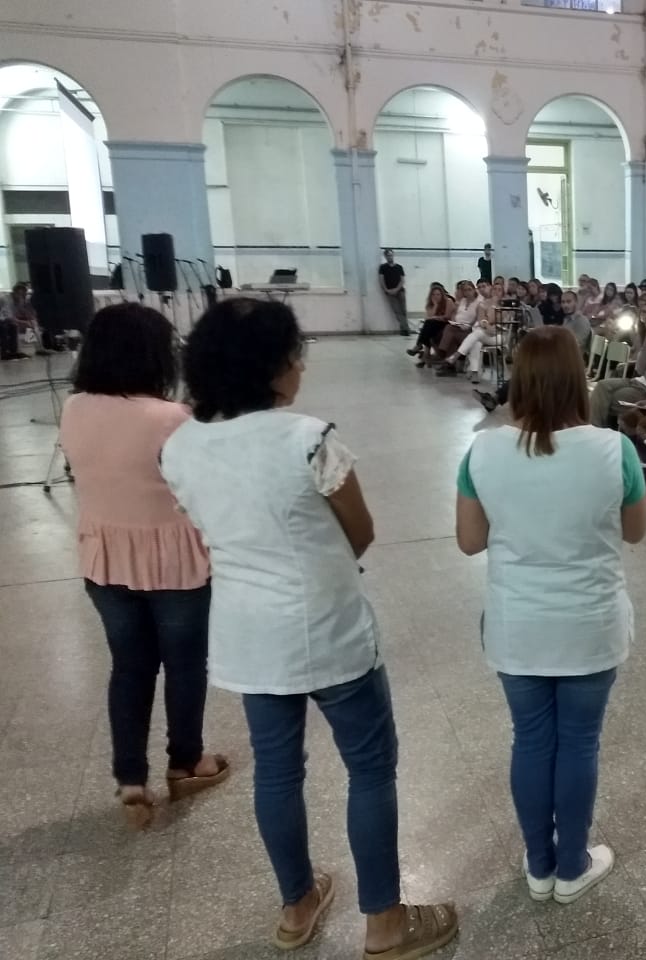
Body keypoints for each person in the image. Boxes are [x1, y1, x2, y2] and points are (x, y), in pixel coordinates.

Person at [160, 298, 459, 957]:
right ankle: (384, 922)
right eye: (294, 355)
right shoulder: (308, 439)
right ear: (269, 367)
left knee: (276, 770)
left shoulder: (179, 446)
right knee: (370, 767)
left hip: (247, 633)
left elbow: (207, 525)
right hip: (329, 629)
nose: (301, 366)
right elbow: (362, 530)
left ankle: (297, 905)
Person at [455, 325, 646, 904]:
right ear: (577, 379)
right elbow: (635, 532)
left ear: (521, 380)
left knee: (532, 742)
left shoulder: (483, 450)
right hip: (590, 623)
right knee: (579, 743)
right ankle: (572, 865)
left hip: (518, 626)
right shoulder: (614, 449)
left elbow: (469, 541)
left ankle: (539, 866)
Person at [59, 303, 228, 830]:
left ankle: (131, 778)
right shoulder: (170, 418)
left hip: (105, 558)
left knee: (129, 668)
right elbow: (202, 487)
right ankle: (186, 761)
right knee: (184, 665)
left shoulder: (74, 407)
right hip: (174, 562)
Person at [590, 302, 646, 427]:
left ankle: (598, 429)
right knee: (601, 386)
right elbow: (640, 369)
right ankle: (596, 428)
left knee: (610, 399)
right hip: (639, 381)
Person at [378, 249, 410, 336]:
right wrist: (386, 290)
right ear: (385, 256)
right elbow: (381, 280)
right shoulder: (383, 267)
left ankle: (404, 329)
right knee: (397, 311)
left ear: (393, 255)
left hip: (400, 291)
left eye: (391, 255)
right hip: (389, 292)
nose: (390, 257)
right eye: (388, 255)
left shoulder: (399, 267)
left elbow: (402, 280)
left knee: (403, 311)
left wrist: (396, 289)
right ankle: (406, 329)